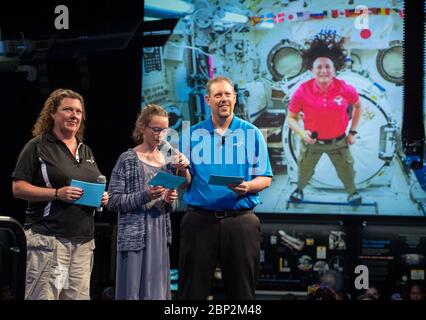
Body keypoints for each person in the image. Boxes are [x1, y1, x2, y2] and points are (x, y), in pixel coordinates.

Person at [178, 76, 273, 300]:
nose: (224, 99)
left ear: (235, 98)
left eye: (228, 94)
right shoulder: (191, 135)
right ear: (208, 99)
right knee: (191, 293)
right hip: (199, 222)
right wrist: (181, 170)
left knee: (243, 295)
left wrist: (248, 186)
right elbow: (184, 183)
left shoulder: (252, 133)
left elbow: (266, 178)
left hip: (241, 222)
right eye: (218, 95)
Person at [12, 88, 109, 300]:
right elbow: (18, 188)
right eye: (67, 110)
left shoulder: (86, 150)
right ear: (53, 114)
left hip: (83, 243)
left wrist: (102, 197)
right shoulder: (38, 146)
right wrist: (57, 193)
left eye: (78, 111)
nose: (74, 115)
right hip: (48, 240)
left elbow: (94, 184)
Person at [107, 104, 190, 300]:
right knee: (133, 293)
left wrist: (170, 198)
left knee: (157, 295)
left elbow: (175, 198)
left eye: (165, 130)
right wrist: (146, 195)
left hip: (159, 236)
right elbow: (113, 200)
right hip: (135, 238)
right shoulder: (128, 159)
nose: (161, 135)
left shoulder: (168, 159)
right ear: (142, 127)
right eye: (156, 129)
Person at [286, 34, 362, 206]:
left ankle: (352, 192)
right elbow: (290, 118)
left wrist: (353, 132)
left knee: (347, 171)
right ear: (311, 70)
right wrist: (301, 132)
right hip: (312, 143)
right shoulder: (302, 91)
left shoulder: (345, 88)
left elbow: (358, 106)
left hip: (339, 142)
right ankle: (299, 189)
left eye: (327, 66)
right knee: (304, 170)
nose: (323, 70)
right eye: (319, 67)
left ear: (334, 69)